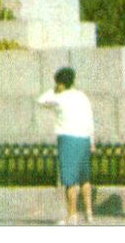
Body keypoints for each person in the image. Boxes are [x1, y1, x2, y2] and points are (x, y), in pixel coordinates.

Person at [37, 66, 94, 225]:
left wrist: (54, 90)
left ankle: (72, 214)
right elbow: (90, 118)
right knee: (85, 178)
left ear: (60, 83)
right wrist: (92, 140)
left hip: (68, 138)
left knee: (69, 180)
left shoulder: (59, 98)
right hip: (84, 138)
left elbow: (41, 100)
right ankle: (89, 213)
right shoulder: (82, 96)